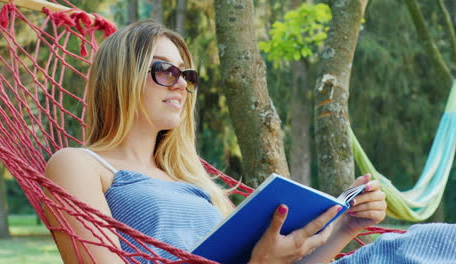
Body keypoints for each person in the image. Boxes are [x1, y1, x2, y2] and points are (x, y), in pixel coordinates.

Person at [44, 19, 388, 264]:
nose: (181, 85)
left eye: (186, 75)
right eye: (165, 70)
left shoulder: (191, 181)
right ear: (121, 76)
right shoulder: (78, 164)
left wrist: (346, 226)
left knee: (429, 243)